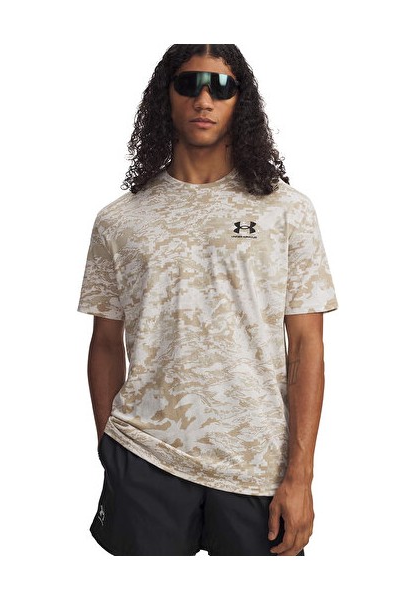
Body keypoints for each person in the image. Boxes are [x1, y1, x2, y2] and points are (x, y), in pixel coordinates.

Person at [77, 44, 338, 556]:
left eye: (221, 86)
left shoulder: (286, 211)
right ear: (165, 97)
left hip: (256, 464)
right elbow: (105, 341)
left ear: (242, 101)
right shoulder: (119, 220)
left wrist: (301, 475)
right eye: (188, 83)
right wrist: (110, 446)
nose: (204, 99)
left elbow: (307, 346)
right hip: (144, 455)